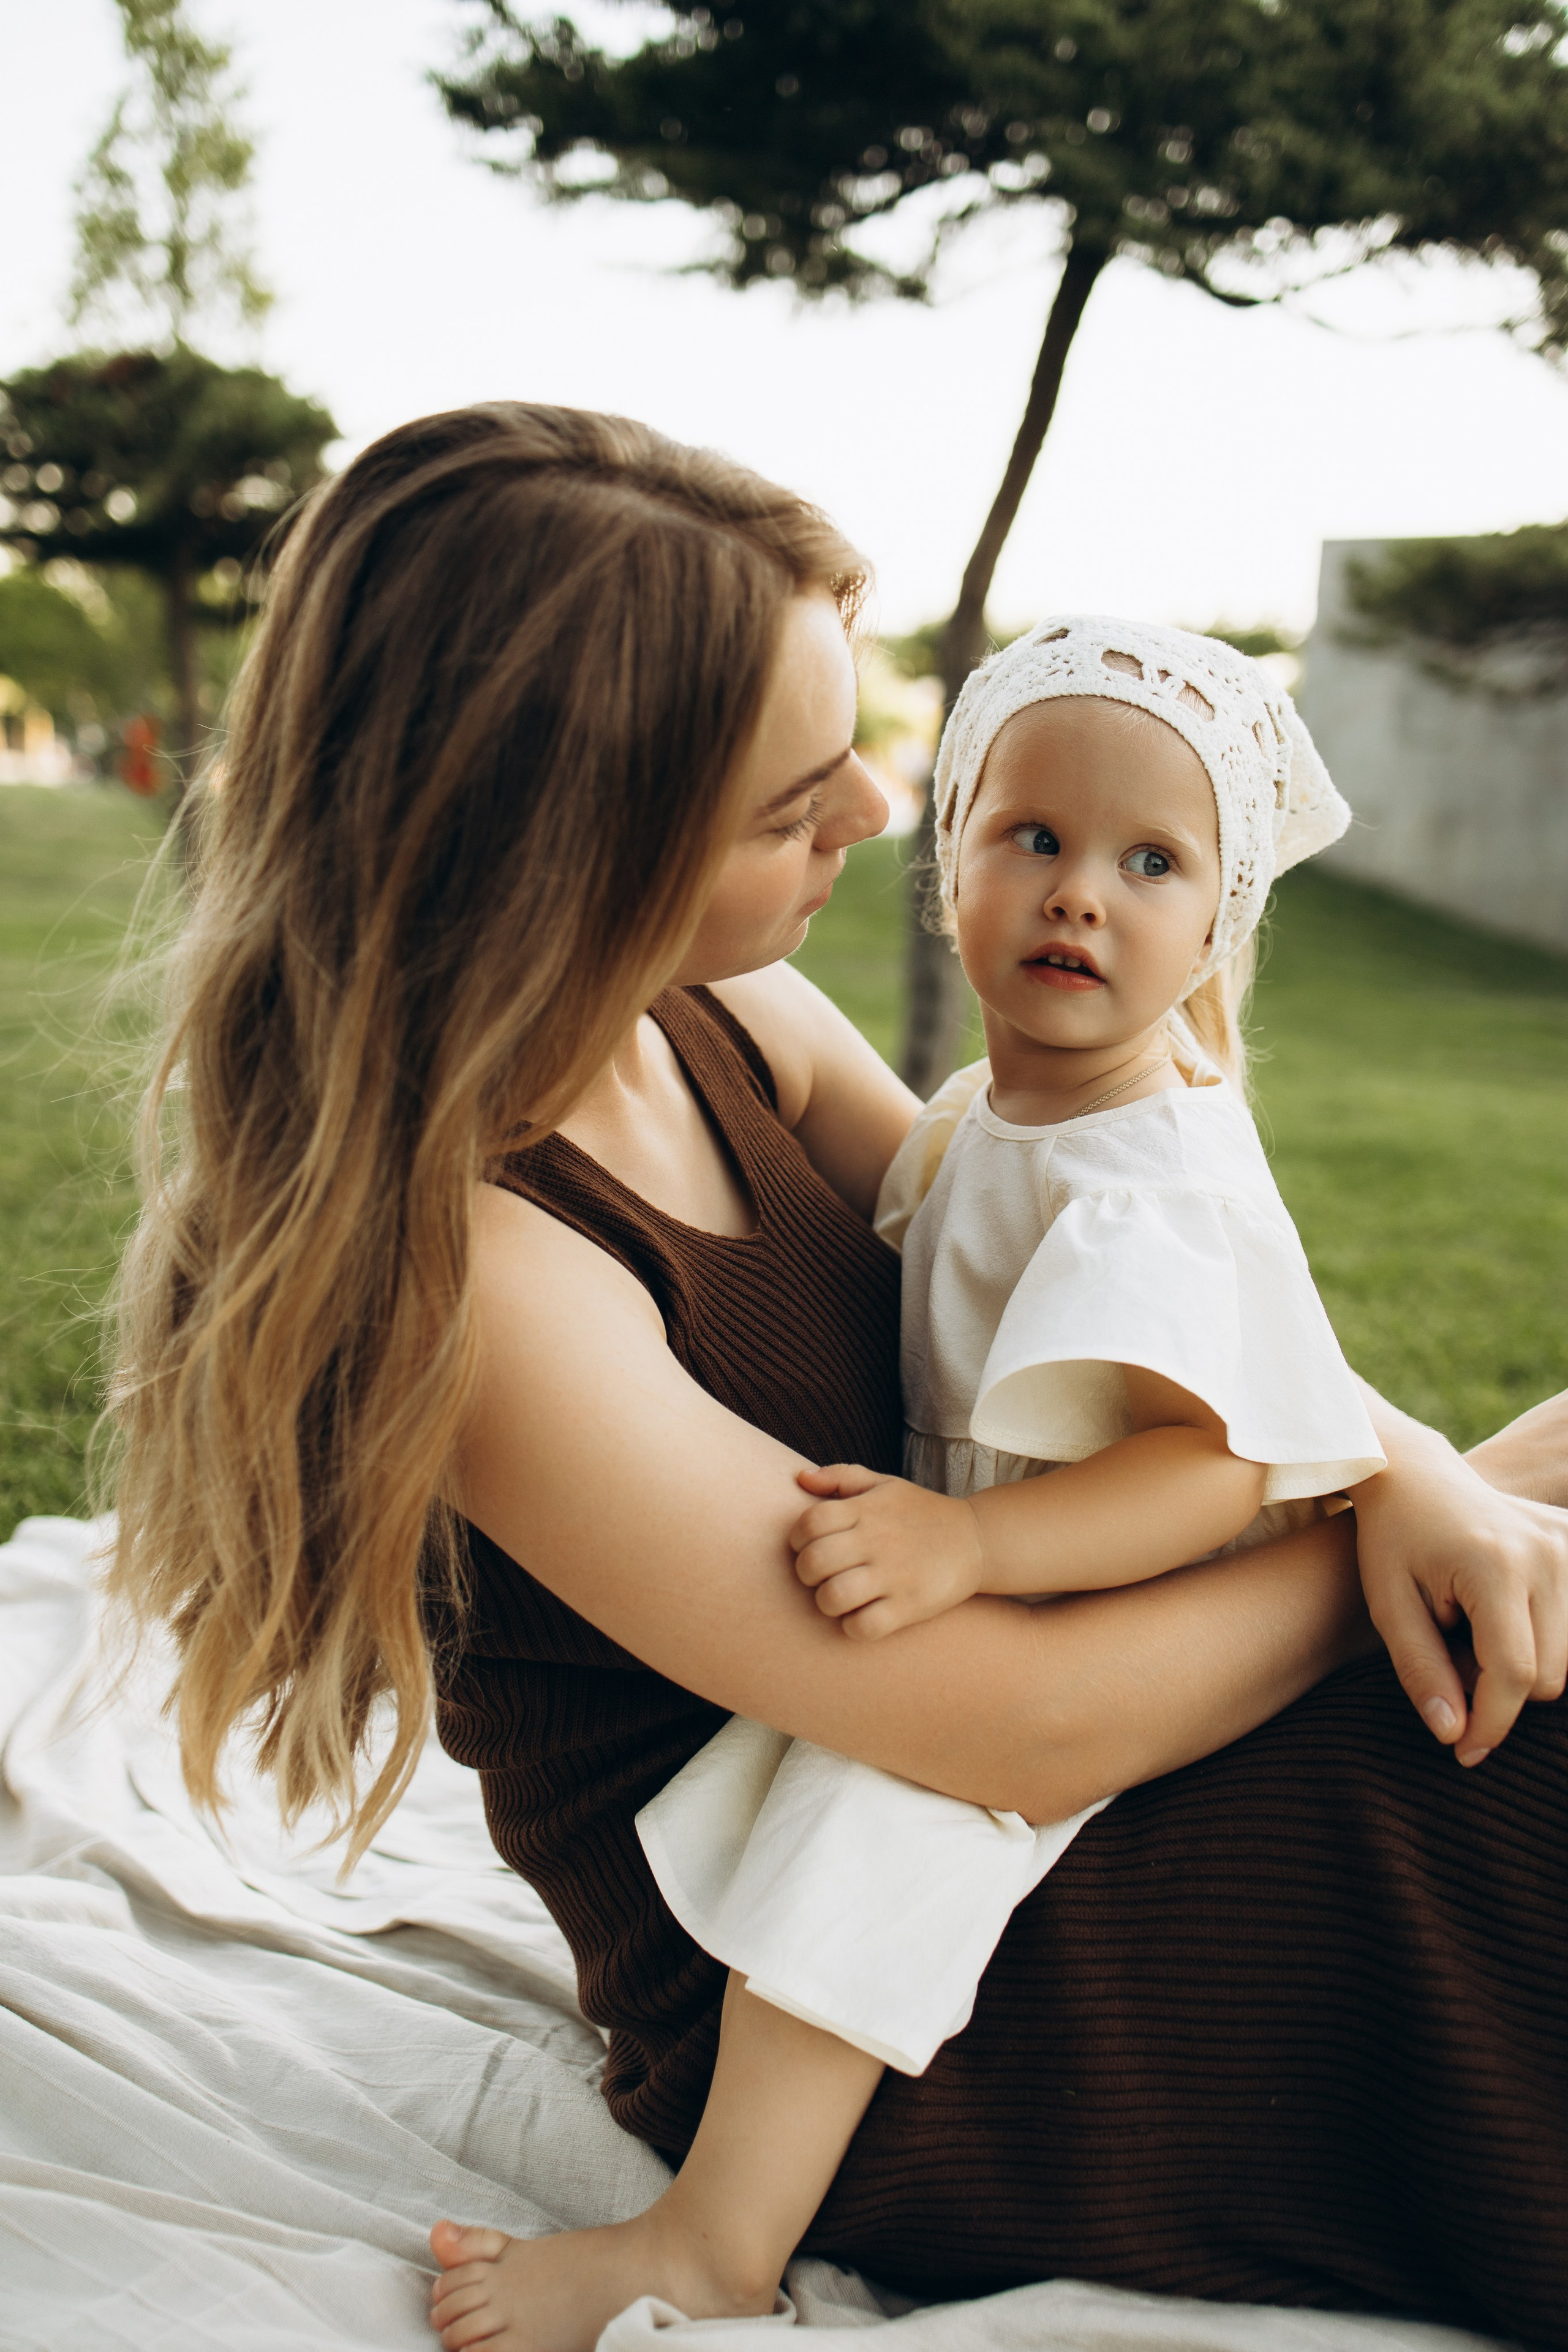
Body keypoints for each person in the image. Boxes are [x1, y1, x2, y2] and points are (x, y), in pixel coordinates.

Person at [99, 405, 1568, 2352]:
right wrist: (1358, 1536)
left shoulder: (722, 1009)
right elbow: (998, 1731)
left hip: (1054, 1757)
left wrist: (1419, 1482)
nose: (881, 814)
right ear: (577, 849)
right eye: (797, 799)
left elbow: (1121, 1285)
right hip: (870, 1970)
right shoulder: (474, 1277)